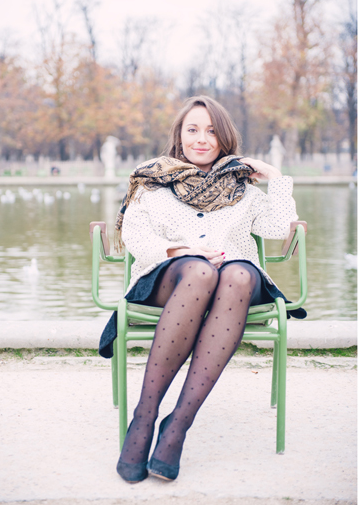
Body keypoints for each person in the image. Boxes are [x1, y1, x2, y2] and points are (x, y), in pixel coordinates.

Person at [97, 95, 305, 483]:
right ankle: (145, 417)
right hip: (169, 276)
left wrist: (275, 177)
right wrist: (183, 250)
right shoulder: (152, 185)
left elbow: (278, 229)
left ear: (224, 139)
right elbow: (137, 236)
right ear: (179, 135)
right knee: (199, 271)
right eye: (192, 129)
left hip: (236, 284)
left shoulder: (242, 189)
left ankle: (178, 425)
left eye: (212, 131)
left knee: (235, 274)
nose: (202, 139)